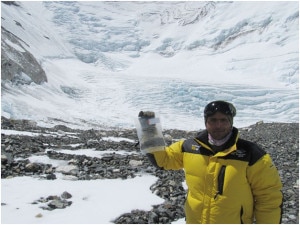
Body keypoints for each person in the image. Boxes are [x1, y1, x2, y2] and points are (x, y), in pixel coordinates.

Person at [139, 100, 283, 224]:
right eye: (213, 120)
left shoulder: (251, 154)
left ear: (231, 122)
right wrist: (149, 128)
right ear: (206, 122)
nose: (218, 125)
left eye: (223, 120)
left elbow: (269, 198)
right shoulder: (189, 147)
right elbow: (163, 160)